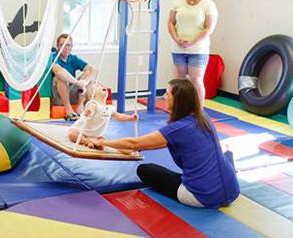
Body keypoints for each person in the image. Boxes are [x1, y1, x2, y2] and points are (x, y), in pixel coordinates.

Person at [90, 78, 239, 209]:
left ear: (178, 100)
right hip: (233, 190)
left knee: (145, 170)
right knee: (222, 154)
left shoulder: (177, 129)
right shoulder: (203, 118)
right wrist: (140, 148)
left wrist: (103, 142)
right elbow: (156, 144)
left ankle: (198, 185)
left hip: (202, 197)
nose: (164, 96)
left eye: (167, 94)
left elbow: (133, 143)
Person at [168, 0, 218, 105]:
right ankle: (180, 108)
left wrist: (192, 43)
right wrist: (177, 39)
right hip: (178, 48)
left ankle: (198, 111)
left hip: (198, 49)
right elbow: (170, 23)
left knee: (196, 81)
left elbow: (208, 28)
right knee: (180, 81)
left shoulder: (208, 4)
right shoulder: (177, 2)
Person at [68, 82, 138, 148]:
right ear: (93, 94)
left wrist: (131, 118)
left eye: (101, 85)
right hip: (81, 130)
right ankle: (87, 141)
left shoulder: (110, 108)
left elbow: (120, 116)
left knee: (103, 140)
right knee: (72, 134)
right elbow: (90, 108)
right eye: (98, 86)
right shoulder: (94, 104)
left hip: (96, 134)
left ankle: (93, 141)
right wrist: (89, 111)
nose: (101, 86)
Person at [51, 33, 97, 121]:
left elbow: (93, 69)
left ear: (72, 46)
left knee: (88, 76)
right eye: (62, 45)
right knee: (60, 77)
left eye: (68, 45)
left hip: (72, 93)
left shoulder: (73, 58)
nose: (66, 48)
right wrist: (77, 82)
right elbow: (59, 71)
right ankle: (69, 111)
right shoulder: (52, 57)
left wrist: (84, 82)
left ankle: (80, 106)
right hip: (58, 97)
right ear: (57, 46)